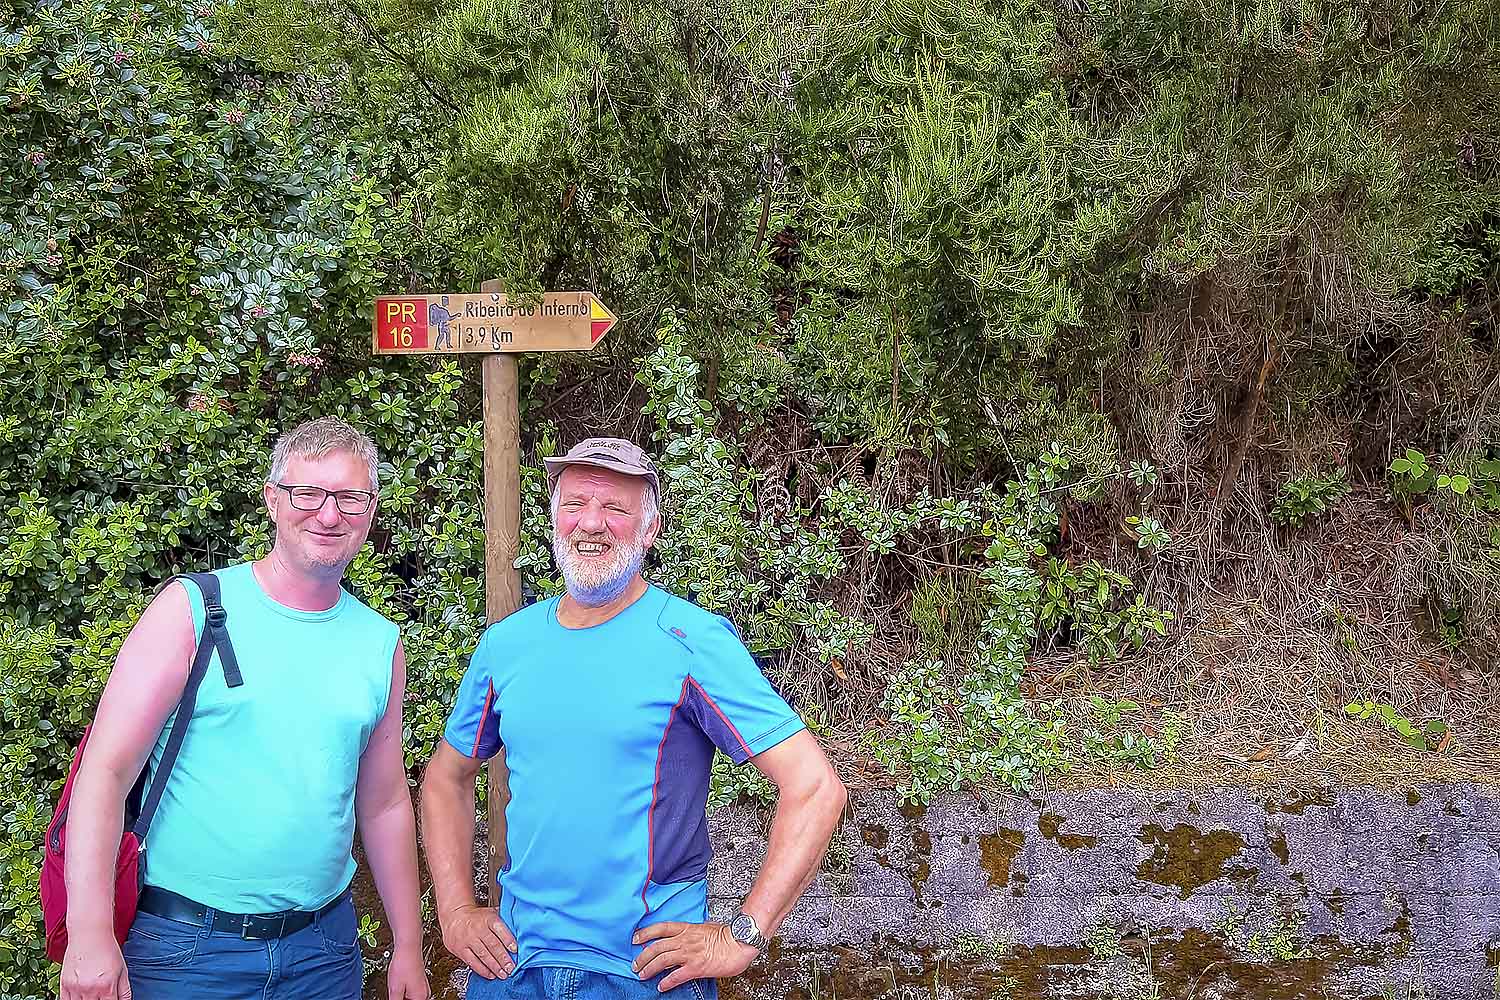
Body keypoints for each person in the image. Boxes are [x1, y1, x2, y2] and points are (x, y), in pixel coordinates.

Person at [421, 437, 847, 999]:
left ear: (650, 529)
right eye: (573, 505)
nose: (590, 523)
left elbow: (815, 787)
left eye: (615, 508)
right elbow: (444, 779)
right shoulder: (506, 646)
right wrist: (454, 910)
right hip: (512, 970)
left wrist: (744, 934)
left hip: (643, 977)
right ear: (552, 521)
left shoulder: (692, 642)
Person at [59, 417, 430, 1000]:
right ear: (272, 500)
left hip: (323, 954)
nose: (328, 515)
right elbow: (105, 772)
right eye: (308, 494)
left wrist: (408, 944)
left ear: (372, 509)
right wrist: (88, 935)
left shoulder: (379, 644)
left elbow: (383, 803)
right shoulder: (193, 610)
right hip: (182, 951)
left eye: (350, 498)